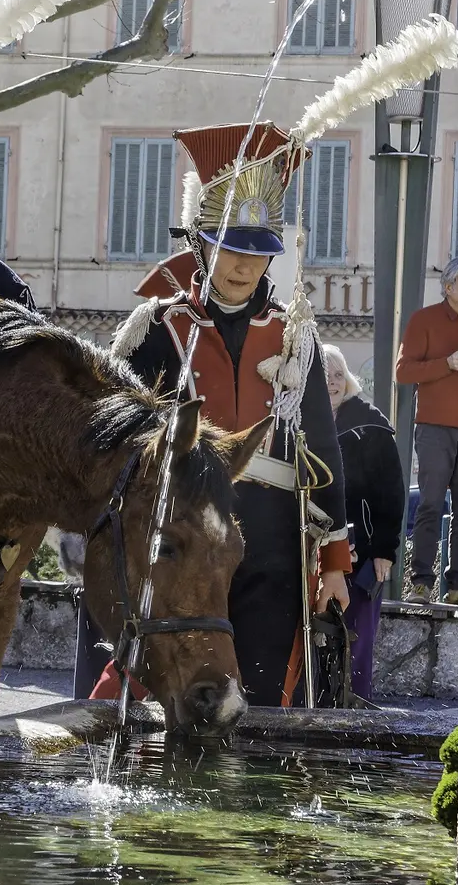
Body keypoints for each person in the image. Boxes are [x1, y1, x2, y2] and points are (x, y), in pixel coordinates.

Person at [102, 123, 351, 708]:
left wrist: (335, 560)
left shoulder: (295, 337)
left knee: (261, 694)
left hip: (271, 536)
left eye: (258, 252)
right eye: (230, 247)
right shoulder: (156, 330)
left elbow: (323, 446)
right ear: (200, 244)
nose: (243, 264)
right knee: (170, 686)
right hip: (180, 533)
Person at [395, 256, 458, 605]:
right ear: (448, 286)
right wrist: (448, 364)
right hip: (435, 429)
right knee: (430, 505)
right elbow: (403, 371)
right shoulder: (424, 320)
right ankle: (421, 582)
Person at [322, 343, 404, 701]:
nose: (332, 382)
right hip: (315, 548)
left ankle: (356, 704)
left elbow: (392, 492)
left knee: (359, 635)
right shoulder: (298, 420)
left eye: (338, 374)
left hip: (365, 550)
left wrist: (385, 550)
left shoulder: (370, 423)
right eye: (323, 376)